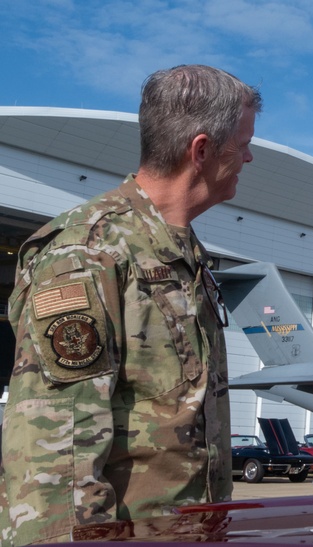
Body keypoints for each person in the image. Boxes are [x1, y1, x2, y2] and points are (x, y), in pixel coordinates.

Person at [0, 64, 260, 544]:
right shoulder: (87, 251)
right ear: (201, 150)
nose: (248, 158)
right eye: (244, 144)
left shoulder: (180, 250)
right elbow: (54, 458)